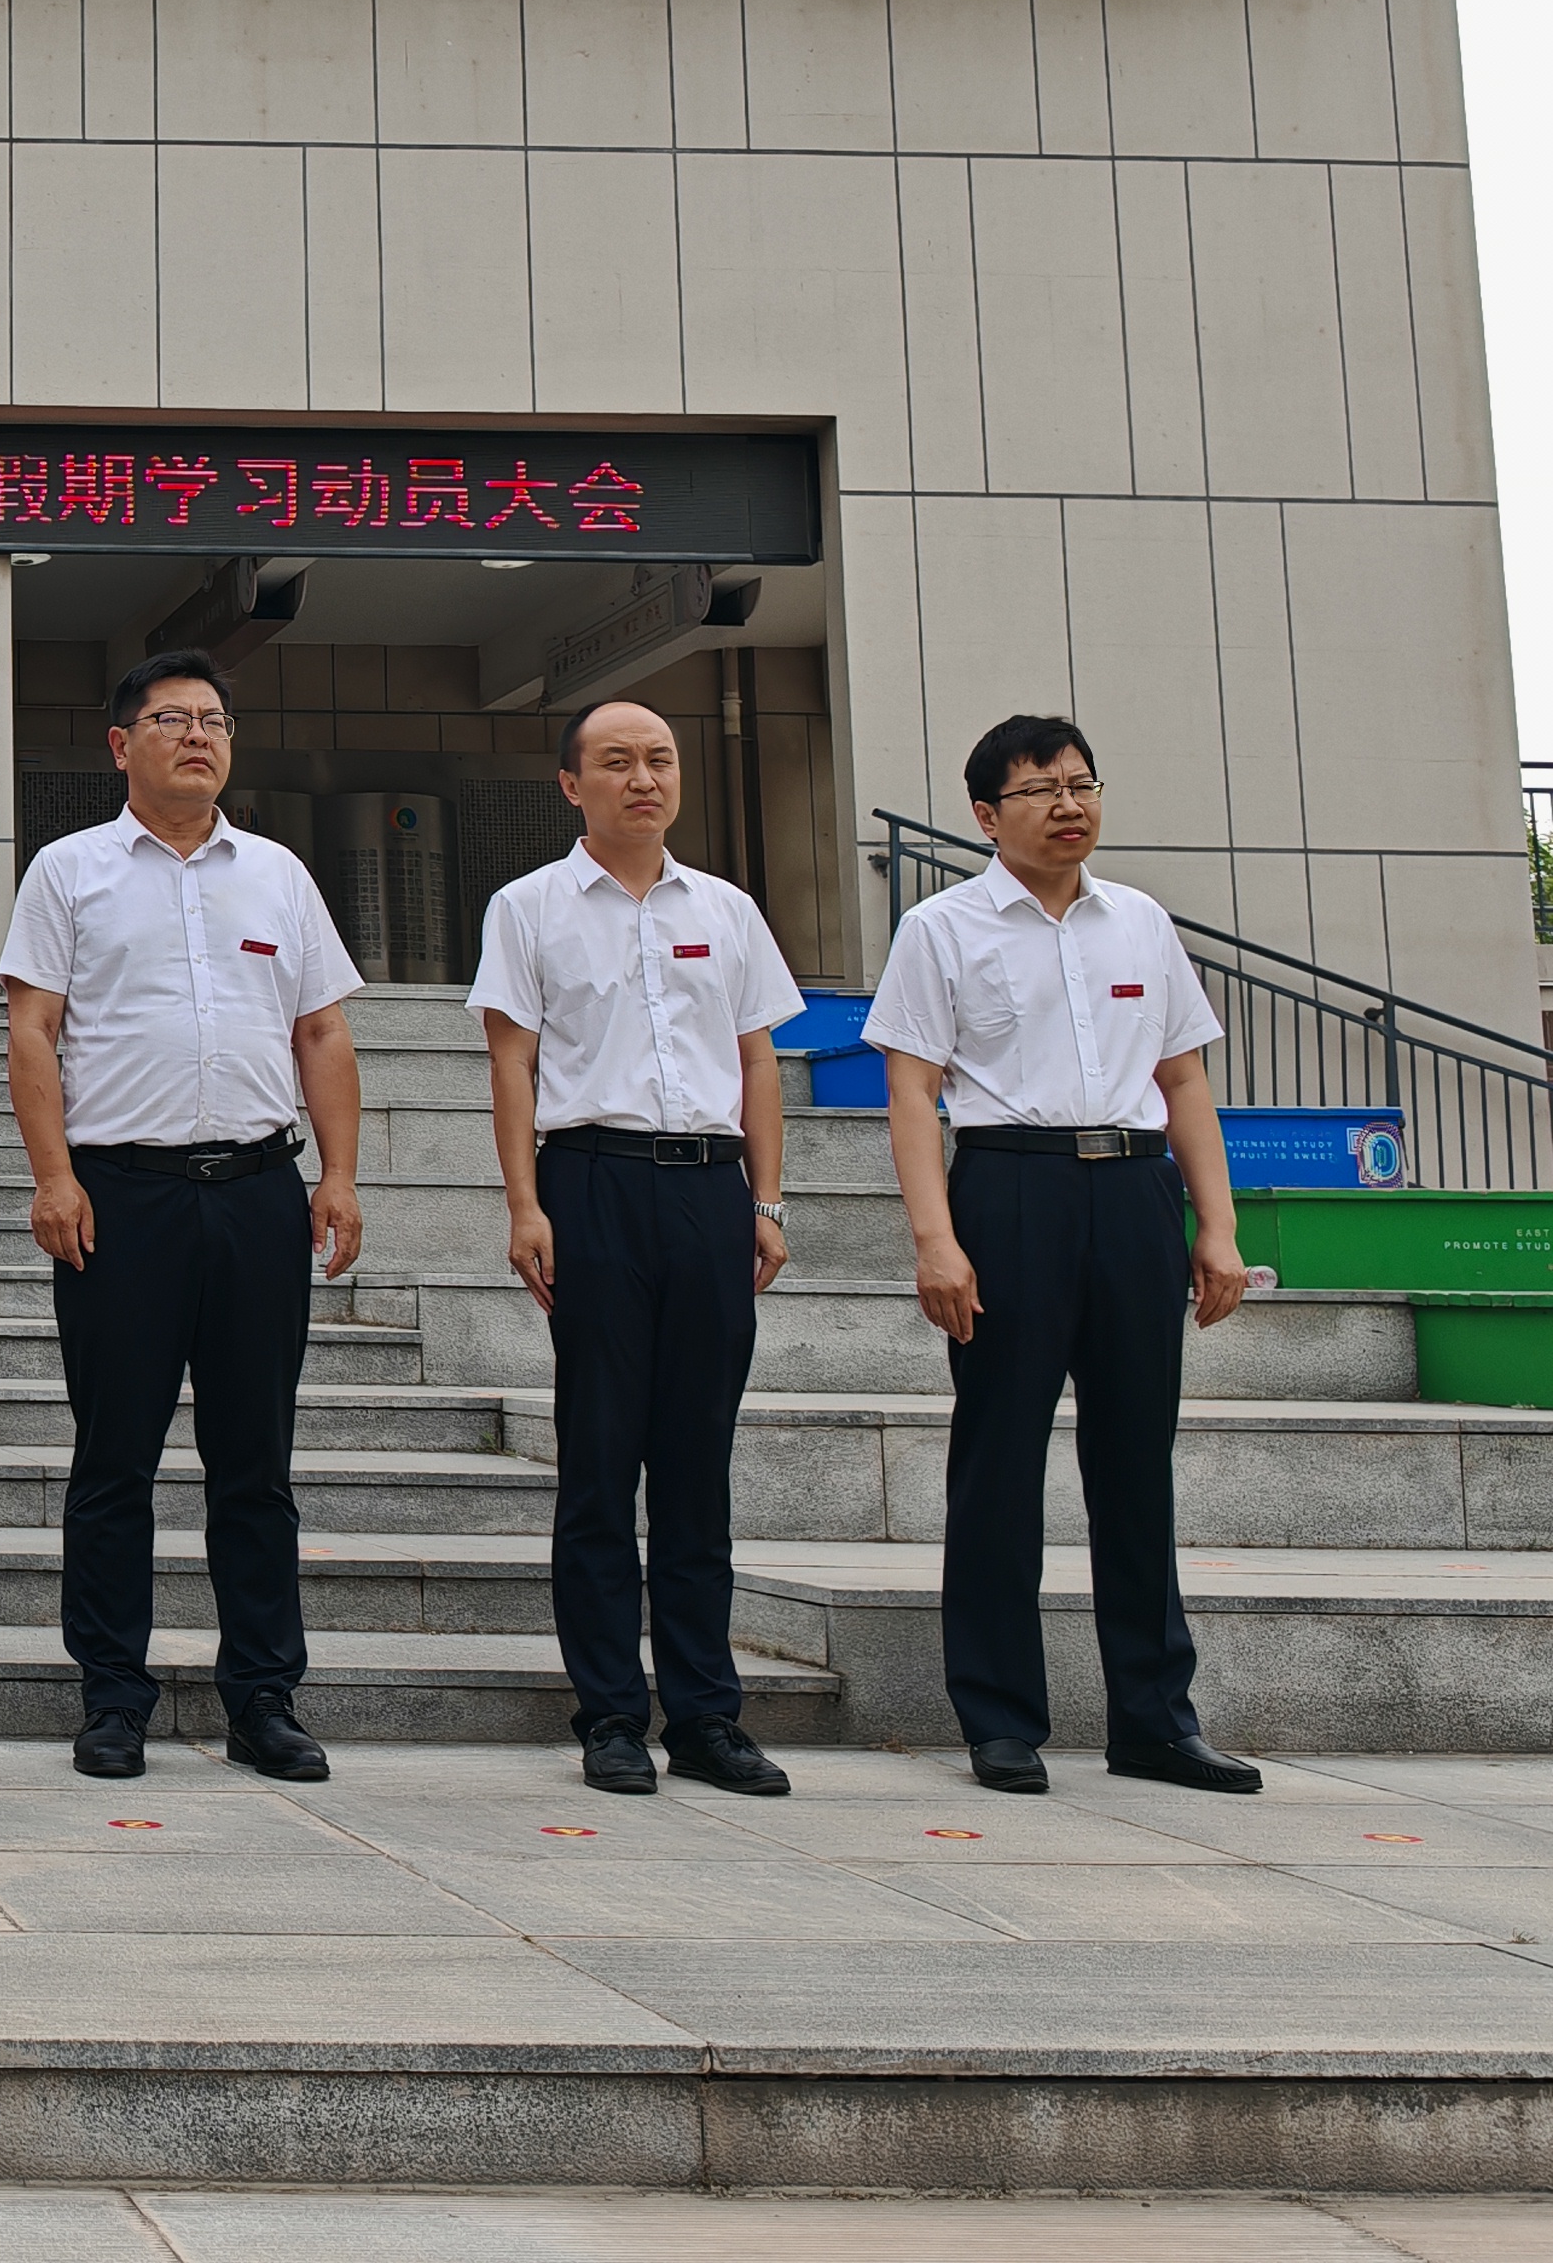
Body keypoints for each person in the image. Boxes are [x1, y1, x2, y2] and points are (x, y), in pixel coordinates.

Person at [863, 714, 1260, 1799]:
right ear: (987, 815)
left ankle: (1155, 1721)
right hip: (1010, 1190)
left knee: (1135, 1462)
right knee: (999, 1460)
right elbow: (912, 1093)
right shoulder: (940, 929)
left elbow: (1183, 1081)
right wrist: (935, 1240)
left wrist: (1216, 1228)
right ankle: (999, 1719)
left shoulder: (1140, 922)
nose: (1068, 805)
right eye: (1040, 790)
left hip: (1135, 1191)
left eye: (1081, 784)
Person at [1, 648, 363, 1784]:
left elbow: (322, 1032)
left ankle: (263, 1698)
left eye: (213, 720)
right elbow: (31, 1030)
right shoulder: (68, 871)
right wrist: (53, 1176)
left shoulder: (279, 875)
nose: (198, 735)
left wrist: (339, 1175)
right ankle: (114, 1696)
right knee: (114, 1460)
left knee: (256, 1463)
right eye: (171, 719)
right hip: (122, 1200)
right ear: (122, 745)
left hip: (258, 1194)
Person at [470, 697, 804, 1800]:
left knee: (698, 1464)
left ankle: (707, 1716)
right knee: (601, 1460)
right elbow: (512, 1064)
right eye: (617, 762)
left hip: (710, 1189)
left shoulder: (728, 909)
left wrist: (766, 1201)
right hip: (592, 1182)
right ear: (573, 785)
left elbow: (756, 1062)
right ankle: (611, 1713)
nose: (644, 779)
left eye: (660, 759)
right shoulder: (528, 907)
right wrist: (526, 1206)